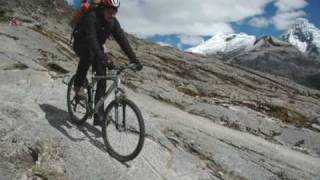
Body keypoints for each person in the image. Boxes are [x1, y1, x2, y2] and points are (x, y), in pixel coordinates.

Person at [72, 0, 143, 125]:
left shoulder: (113, 23)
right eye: (110, 10)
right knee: (88, 56)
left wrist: (134, 59)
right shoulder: (91, 16)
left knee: (102, 78)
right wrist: (103, 58)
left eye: (115, 11)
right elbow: (91, 39)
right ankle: (78, 87)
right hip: (81, 41)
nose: (112, 13)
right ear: (103, 8)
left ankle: (99, 115)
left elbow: (123, 40)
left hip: (97, 47)